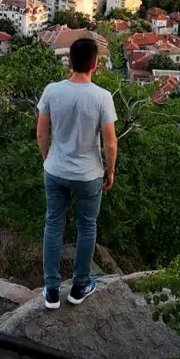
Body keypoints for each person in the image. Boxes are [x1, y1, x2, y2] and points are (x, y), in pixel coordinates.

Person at [36, 37, 118, 310]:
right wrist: (110, 171)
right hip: (88, 174)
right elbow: (110, 142)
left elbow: (41, 131)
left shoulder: (52, 91)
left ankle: (51, 290)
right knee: (87, 227)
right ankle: (80, 286)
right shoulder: (102, 97)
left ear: (69, 62)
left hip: (56, 170)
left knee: (53, 224)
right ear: (96, 65)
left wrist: (48, 158)